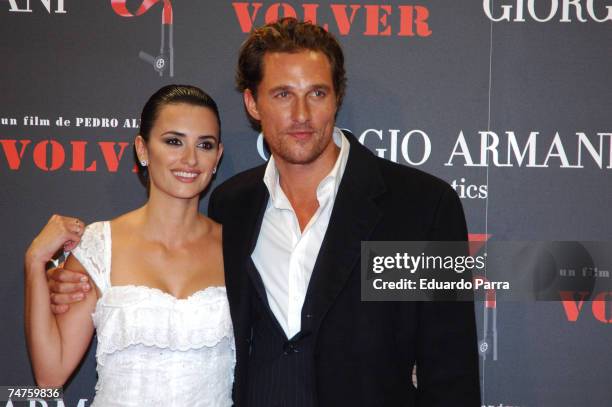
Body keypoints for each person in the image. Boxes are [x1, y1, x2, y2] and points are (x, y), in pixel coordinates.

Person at [47, 18, 480, 407]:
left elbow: (451, 371)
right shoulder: (233, 204)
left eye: (316, 93)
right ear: (253, 104)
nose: (301, 115)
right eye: (282, 95)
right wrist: (67, 277)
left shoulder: (423, 205)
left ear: (336, 99)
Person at [25, 85, 234, 406]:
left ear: (217, 157)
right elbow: (50, 375)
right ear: (143, 149)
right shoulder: (99, 246)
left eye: (204, 145)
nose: (190, 158)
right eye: (173, 141)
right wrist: (36, 261)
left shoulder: (239, 246)